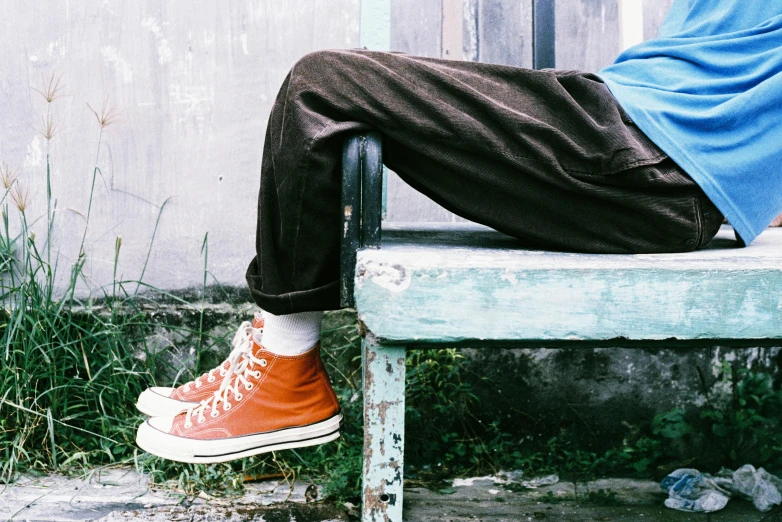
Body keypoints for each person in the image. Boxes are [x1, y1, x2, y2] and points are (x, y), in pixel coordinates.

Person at [134, 0, 782, 463]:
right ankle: (275, 350)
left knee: (320, 84)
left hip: (640, 156)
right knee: (324, 85)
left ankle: (286, 370)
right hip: (627, 141)